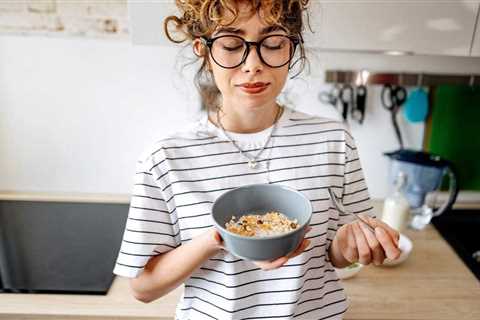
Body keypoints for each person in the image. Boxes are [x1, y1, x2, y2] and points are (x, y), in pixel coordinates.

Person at [113, 1, 401, 319]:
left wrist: (350, 246)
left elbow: (339, 254)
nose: (253, 65)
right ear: (204, 52)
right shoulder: (165, 158)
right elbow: (143, 287)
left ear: (292, 49)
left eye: (273, 43)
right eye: (232, 45)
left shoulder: (334, 141)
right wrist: (217, 239)